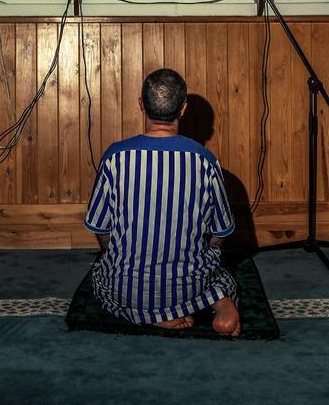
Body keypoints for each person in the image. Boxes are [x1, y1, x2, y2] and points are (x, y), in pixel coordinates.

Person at [83, 68, 241, 336]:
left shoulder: (115, 157)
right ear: (183, 109)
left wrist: (111, 254)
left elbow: (100, 227)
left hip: (127, 287)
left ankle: (151, 315)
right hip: (189, 283)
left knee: (100, 276)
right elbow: (221, 232)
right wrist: (206, 254)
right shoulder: (205, 161)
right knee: (219, 273)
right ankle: (215, 299)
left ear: (141, 105)